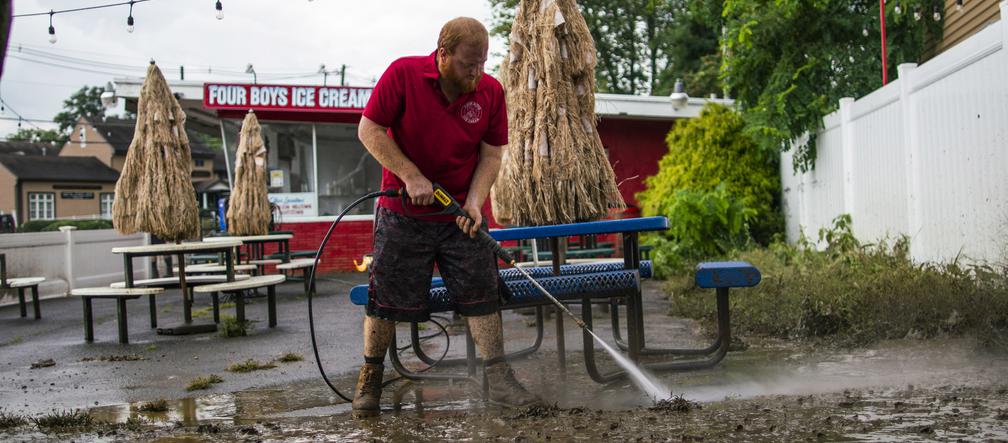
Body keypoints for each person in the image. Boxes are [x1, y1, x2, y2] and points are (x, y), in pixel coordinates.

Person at [353, 16, 541, 417]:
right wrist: (410, 175)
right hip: (403, 214)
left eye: (483, 63)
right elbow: (369, 130)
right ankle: (370, 378)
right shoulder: (403, 75)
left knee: (483, 293)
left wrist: (475, 201)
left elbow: (492, 154)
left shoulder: (490, 91)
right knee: (384, 298)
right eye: (468, 64)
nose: (477, 72)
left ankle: (499, 378)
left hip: (462, 215)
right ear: (442, 55)